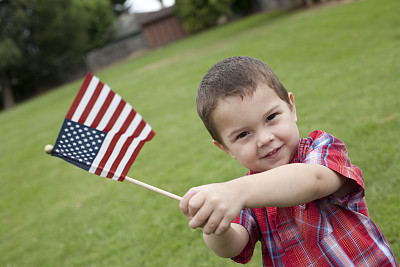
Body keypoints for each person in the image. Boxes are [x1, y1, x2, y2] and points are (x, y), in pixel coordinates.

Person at [179, 56, 398, 266]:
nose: (265, 139)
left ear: (291, 108)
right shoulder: (247, 194)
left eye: (271, 117)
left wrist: (237, 192)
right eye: (243, 134)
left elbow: (314, 180)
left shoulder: (321, 147)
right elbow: (234, 246)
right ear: (226, 149)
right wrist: (216, 225)